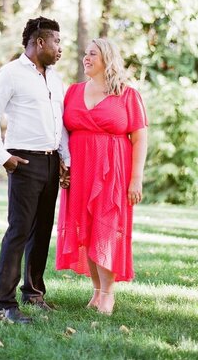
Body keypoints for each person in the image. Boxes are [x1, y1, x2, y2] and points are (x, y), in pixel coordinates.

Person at [0, 16, 70, 324]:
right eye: (57, 42)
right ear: (40, 42)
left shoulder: (56, 79)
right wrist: (1, 154)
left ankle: (33, 293)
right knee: (19, 231)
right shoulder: (11, 73)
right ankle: (4, 304)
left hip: (49, 162)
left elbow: (60, 123)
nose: (61, 48)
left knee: (42, 232)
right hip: (22, 160)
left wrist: (64, 158)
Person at [56, 38, 148, 315]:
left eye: (92, 54)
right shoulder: (72, 92)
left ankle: (109, 293)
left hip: (113, 172)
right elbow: (61, 132)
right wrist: (62, 162)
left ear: (107, 58)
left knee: (106, 228)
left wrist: (136, 178)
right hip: (81, 171)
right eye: (85, 54)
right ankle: (96, 291)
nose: (86, 58)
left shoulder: (128, 95)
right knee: (86, 228)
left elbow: (140, 138)